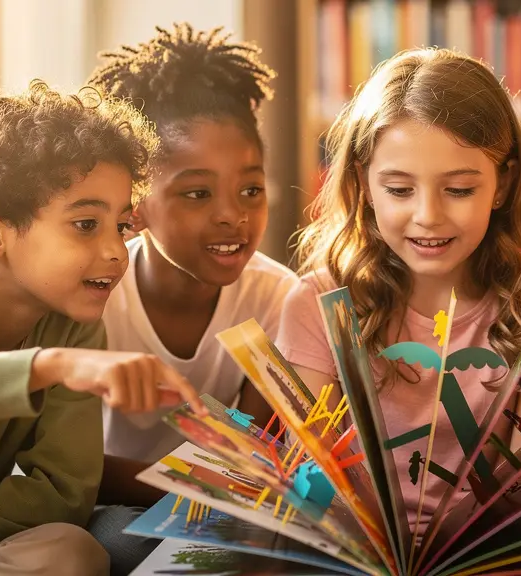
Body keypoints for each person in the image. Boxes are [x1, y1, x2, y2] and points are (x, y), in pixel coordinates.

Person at [276, 47, 521, 533]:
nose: (428, 216)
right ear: (363, 183)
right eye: (400, 190)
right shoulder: (316, 305)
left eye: (460, 190)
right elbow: (308, 480)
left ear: (503, 185)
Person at [0, 80, 203, 576]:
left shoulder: (74, 327)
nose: (115, 250)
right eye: (86, 224)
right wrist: (48, 367)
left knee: (70, 550)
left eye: (123, 226)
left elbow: (64, 494)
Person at [86, 23, 298, 574]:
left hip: (225, 510)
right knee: (118, 547)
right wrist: (177, 487)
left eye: (250, 188)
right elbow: (71, 469)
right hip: (107, 507)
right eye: (196, 193)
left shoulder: (280, 300)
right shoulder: (96, 294)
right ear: (135, 203)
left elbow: (250, 460)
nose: (233, 214)